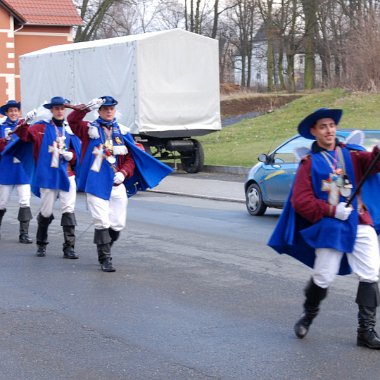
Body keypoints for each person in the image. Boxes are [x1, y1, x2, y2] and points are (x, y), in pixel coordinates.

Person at [268, 108, 380, 349]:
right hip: (331, 226)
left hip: (359, 221)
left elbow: (374, 163)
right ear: (314, 132)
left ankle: (366, 330)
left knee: (370, 274)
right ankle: (308, 316)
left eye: (332, 125)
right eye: (323, 126)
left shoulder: (351, 155)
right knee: (323, 276)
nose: (329, 130)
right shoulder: (310, 164)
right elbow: (301, 201)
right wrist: (331, 211)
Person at [67, 96, 136, 272]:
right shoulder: (88, 128)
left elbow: (131, 158)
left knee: (117, 224)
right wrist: (87, 107)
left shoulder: (123, 131)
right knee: (101, 221)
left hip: (116, 182)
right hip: (96, 182)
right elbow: (72, 120)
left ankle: (105, 247)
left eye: (111, 109)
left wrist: (124, 172)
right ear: (99, 111)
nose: (108, 111)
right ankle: (105, 258)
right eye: (105, 109)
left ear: (115, 111)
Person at [13, 96, 81, 259]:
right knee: (46, 211)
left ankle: (69, 247)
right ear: (51, 110)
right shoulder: (40, 128)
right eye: (56, 108)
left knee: (68, 210)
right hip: (48, 176)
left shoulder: (69, 129)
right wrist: (25, 123)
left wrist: (71, 155)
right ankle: (41, 243)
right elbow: (23, 137)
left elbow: (78, 152)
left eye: (62, 108)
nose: (59, 111)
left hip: (67, 174)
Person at [0, 100, 33, 243]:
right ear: (6, 113)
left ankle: (24, 234)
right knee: (1, 202)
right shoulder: (1, 127)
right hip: (6, 168)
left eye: (16, 110)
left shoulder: (24, 126)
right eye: (11, 111)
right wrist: (4, 140)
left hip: (22, 168)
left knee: (25, 201)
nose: (14, 113)